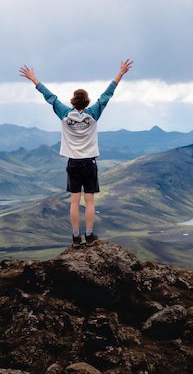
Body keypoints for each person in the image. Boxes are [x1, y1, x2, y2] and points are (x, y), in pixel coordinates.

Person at [19, 59, 133, 245]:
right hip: (89, 162)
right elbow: (107, 95)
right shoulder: (93, 113)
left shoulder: (65, 114)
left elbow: (50, 97)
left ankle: (75, 237)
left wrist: (34, 79)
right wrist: (120, 73)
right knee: (89, 201)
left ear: (73, 101)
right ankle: (89, 236)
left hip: (73, 163)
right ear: (87, 101)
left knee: (74, 202)